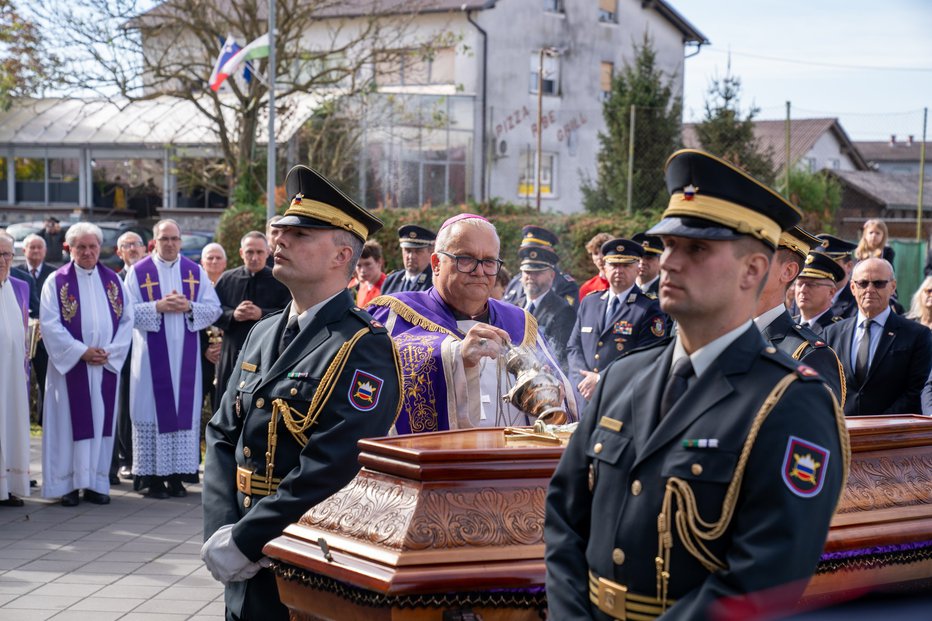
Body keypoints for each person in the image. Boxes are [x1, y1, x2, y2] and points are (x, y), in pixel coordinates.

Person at [546, 149, 848, 621]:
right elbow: (565, 517)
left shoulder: (792, 403)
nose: (668, 262)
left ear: (753, 269)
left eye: (697, 249)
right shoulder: (623, 377)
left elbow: (764, 574)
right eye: (667, 246)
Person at [202, 164, 402, 621]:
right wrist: (222, 532)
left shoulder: (363, 347)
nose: (280, 240)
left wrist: (248, 539)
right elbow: (221, 433)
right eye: (282, 231)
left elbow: (333, 467)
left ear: (340, 256)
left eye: (302, 233)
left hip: (305, 569)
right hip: (240, 558)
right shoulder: (263, 331)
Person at [368, 214, 578, 433]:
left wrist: (551, 395)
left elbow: (564, 414)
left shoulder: (520, 323)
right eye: (465, 259)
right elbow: (374, 397)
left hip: (511, 462)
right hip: (433, 462)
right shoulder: (394, 316)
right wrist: (456, 359)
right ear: (436, 263)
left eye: (489, 262)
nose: (479, 271)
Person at [125, 219, 222, 499]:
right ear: (154, 241)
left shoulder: (194, 271)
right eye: (164, 238)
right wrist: (158, 306)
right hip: (148, 362)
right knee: (150, 412)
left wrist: (189, 306)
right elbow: (126, 311)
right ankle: (153, 479)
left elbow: (213, 308)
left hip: (185, 360)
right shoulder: (138, 271)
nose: (170, 243)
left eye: (174, 239)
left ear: (180, 241)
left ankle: (178, 476)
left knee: (182, 412)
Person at [39, 223, 134, 506]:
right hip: (70, 369)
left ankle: (95, 482)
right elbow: (50, 324)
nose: (88, 251)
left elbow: (127, 320)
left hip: (103, 366)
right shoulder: (56, 282)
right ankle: (65, 484)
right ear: (70, 248)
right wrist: (80, 352)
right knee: (67, 425)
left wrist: (110, 351)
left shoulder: (113, 282)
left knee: (100, 423)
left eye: (93, 246)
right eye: (81, 247)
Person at [824, 257, 932, 416]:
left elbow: (916, 389)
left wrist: (880, 425)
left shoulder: (917, 335)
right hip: (841, 432)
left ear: (893, 287)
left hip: (891, 433)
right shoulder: (831, 333)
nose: (870, 289)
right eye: (863, 283)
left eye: (878, 283)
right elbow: (824, 383)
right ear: (853, 288)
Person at [566, 238, 668, 402]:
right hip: (584, 396)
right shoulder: (589, 302)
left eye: (626, 265)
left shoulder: (649, 307)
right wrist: (584, 381)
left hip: (622, 398)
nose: (619, 270)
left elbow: (647, 357)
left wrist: (600, 380)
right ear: (604, 268)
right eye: (613, 265)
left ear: (637, 268)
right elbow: (573, 347)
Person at [754, 226, 846, 405]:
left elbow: (814, 429)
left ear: (788, 271)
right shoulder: (724, 335)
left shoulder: (809, 354)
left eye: (759, 256)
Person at [213, 231, 290, 404]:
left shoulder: (280, 280)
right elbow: (212, 311)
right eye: (249, 252)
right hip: (232, 349)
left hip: (265, 351)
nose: (254, 257)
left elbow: (289, 312)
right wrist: (233, 314)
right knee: (226, 399)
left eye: (259, 252)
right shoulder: (227, 279)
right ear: (241, 253)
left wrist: (261, 314)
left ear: (268, 252)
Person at [110, 231, 147, 484]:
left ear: (145, 249)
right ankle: (124, 459)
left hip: (147, 350)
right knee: (123, 406)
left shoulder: (149, 276)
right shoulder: (113, 280)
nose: (132, 249)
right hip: (122, 352)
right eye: (126, 245)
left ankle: (140, 458)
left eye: (136, 244)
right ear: (118, 252)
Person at [0, 231, 31, 507]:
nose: (2, 260)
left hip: (13, 372)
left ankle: (7, 485)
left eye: (6, 254)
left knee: (11, 424)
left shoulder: (19, 286)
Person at [519, 245, 576, 373]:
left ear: (552, 275)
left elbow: (558, 358)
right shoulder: (514, 305)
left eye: (538, 272)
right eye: (527, 272)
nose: (531, 277)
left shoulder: (563, 311)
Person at [502, 226, 579, 309]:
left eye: (535, 249)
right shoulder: (515, 281)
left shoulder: (565, 285)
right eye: (526, 249)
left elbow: (565, 317)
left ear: (549, 250)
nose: (530, 254)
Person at [22, 234, 55, 425]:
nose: (35, 251)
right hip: (21, 338)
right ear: (24, 250)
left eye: (38, 248)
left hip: (44, 338)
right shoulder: (15, 272)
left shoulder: (54, 274)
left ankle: (44, 420)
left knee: (46, 381)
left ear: (45, 251)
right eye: (31, 247)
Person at [795, 251, 847, 335]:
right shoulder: (789, 325)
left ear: (831, 292)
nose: (802, 290)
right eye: (799, 284)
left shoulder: (839, 331)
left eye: (811, 285)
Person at [381, 224, 436, 294]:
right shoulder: (391, 281)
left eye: (418, 251)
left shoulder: (435, 283)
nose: (411, 256)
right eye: (407, 250)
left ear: (430, 252)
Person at [817, 234, 859, 320]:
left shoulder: (858, 301)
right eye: (819, 264)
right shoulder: (805, 295)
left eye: (831, 263)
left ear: (849, 266)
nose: (824, 269)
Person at [350, 240, 386, 306]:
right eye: (359, 265)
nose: (363, 270)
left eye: (368, 264)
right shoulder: (362, 286)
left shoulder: (388, 287)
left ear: (379, 262)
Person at [578, 232, 613, 300]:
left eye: (603, 252)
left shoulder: (627, 284)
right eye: (595, 253)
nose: (600, 257)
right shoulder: (587, 288)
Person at [632, 231, 663, 299]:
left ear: (660, 261)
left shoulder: (666, 291)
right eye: (639, 257)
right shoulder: (626, 288)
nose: (642, 262)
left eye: (649, 258)